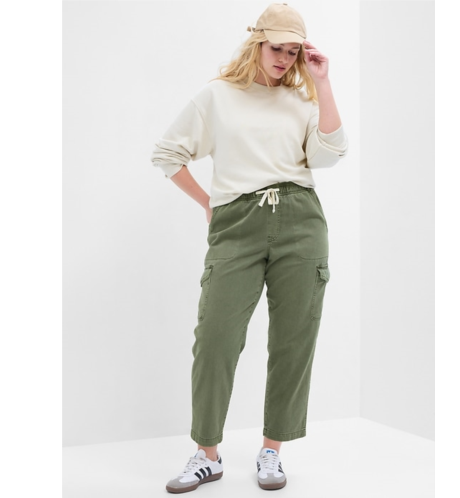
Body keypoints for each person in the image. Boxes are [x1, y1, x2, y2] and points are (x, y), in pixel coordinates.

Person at [151, 2, 348, 493]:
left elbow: (330, 155)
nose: (284, 58)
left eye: (293, 51)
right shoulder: (218, 96)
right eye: (276, 48)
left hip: (301, 220)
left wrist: (322, 83)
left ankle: (272, 450)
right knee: (215, 338)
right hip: (236, 223)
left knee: (292, 341)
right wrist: (208, 204)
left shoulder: (303, 99)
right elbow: (168, 153)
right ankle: (207, 455)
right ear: (257, 43)